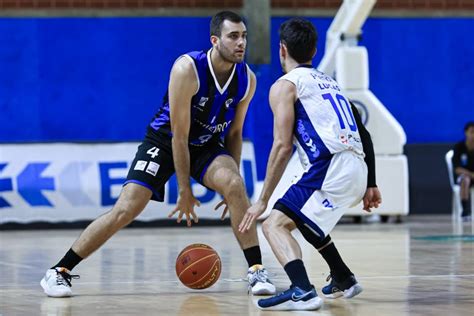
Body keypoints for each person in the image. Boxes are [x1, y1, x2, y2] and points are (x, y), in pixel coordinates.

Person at [40, 11, 275, 298]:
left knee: (236, 185)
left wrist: (231, 185)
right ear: (215, 40)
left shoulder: (246, 79)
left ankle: (256, 271)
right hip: (165, 141)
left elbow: (235, 134)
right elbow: (178, 135)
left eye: (244, 36)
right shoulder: (187, 69)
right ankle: (59, 271)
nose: (241, 43)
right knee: (126, 209)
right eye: (233, 36)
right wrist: (185, 190)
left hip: (207, 144)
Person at [239, 17, 382, 311]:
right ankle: (343, 277)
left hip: (330, 166)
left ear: (281, 50)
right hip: (357, 166)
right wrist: (371, 182)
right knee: (301, 217)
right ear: (314, 51)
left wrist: (262, 200)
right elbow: (364, 134)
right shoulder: (332, 83)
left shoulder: (284, 86)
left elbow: (282, 146)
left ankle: (302, 290)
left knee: (274, 225)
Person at [452, 121, 474, 220]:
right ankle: (465, 211)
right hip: (464, 177)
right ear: (466, 133)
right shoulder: (459, 147)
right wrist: (470, 174)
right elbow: (457, 169)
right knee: (465, 180)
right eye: (472, 132)